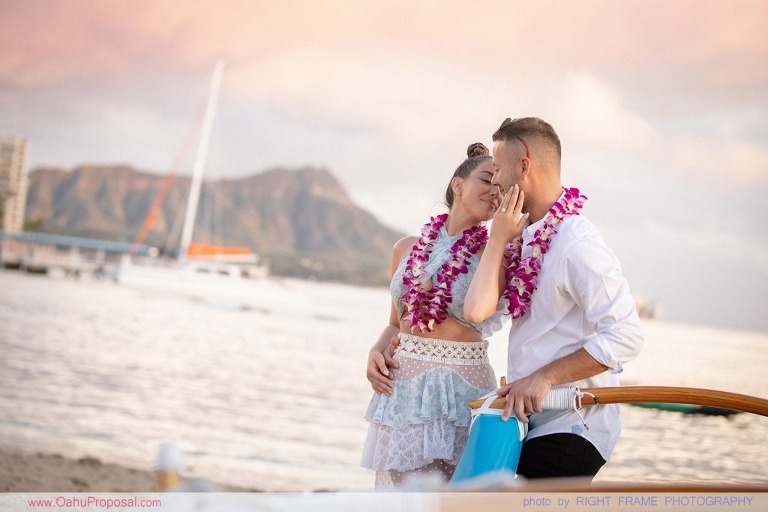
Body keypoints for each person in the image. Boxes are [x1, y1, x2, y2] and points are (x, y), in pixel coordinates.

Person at [463, 117, 644, 480]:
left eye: (498, 168)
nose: (495, 180)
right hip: (531, 426)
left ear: (524, 166)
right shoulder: (524, 237)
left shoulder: (577, 244)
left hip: (572, 428)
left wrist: (543, 377)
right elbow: (482, 315)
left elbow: (626, 336)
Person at [361, 143, 528, 488]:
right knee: (404, 499)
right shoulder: (405, 248)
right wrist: (375, 351)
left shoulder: (495, 252)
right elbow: (396, 322)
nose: (493, 192)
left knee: (440, 500)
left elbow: (478, 312)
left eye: (500, 187)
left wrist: (499, 238)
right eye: (486, 180)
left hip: (456, 388)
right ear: (457, 184)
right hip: (402, 388)